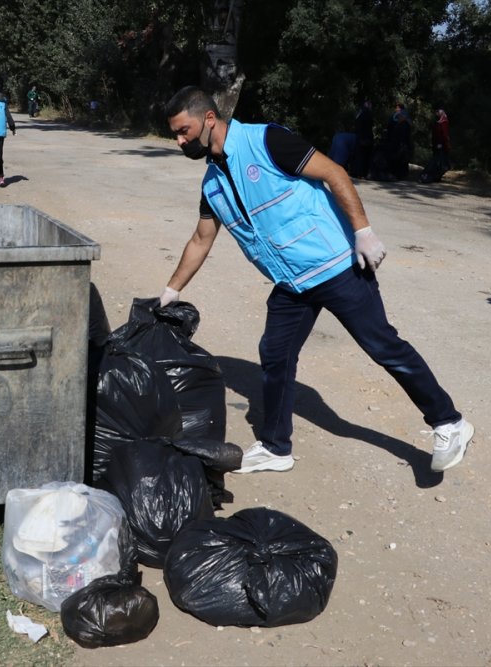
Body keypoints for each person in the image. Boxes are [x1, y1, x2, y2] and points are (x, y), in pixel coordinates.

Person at [160, 86, 473, 474]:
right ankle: (276, 448)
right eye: (176, 133)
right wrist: (172, 290)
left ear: (209, 119)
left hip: (337, 265)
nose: (179, 140)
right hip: (292, 283)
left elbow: (333, 172)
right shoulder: (212, 183)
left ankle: (450, 422)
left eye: (183, 130)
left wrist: (363, 231)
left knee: (383, 346)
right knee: (275, 356)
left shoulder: (266, 140)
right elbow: (201, 239)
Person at [421, 107, 450, 183]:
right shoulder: (441, 123)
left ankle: (435, 177)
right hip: (440, 146)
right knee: (437, 162)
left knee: (439, 162)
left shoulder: (441, 123)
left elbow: (443, 135)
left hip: (439, 145)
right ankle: (430, 176)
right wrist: (441, 144)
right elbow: (443, 135)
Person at [385, 102, 413, 179]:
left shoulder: (396, 116)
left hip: (398, 141)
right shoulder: (407, 118)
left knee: (398, 158)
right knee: (403, 159)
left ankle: (396, 174)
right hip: (403, 142)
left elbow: (390, 128)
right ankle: (402, 175)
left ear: (400, 109)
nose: (396, 109)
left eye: (397, 108)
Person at [350, 99, 373, 178]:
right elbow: (368, 127)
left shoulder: (359, 113)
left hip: (358, 136)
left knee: (358, 155)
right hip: (365, 137)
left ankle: (355, 172)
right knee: (364, 156)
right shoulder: (367, 113)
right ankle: (362, 173)